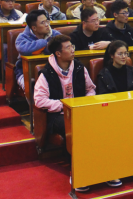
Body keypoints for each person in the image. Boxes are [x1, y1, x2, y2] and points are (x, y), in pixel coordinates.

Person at [33, 35, 101, 190]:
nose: (72, 50)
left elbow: (91, 89)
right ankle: (79, 172)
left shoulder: (79, 68)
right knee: (78, 129)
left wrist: (84, 103)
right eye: (68, 47)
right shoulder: (46, 73)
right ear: (58, 53)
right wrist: (65, 106)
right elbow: (39, 100)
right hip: (57, 116)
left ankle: (103, 168)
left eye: (72, 46)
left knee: (101, 124)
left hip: (80, 110)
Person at [15, 10, 61, 90]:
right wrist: (44, 43)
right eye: (43, 23)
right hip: (25, 72)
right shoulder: (22, 37)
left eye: (47, 21)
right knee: (33, 85)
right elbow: (24, 50)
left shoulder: (54, 34)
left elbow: (63, 45)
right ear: (34, 28)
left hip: (51, 69)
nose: (47, 25)